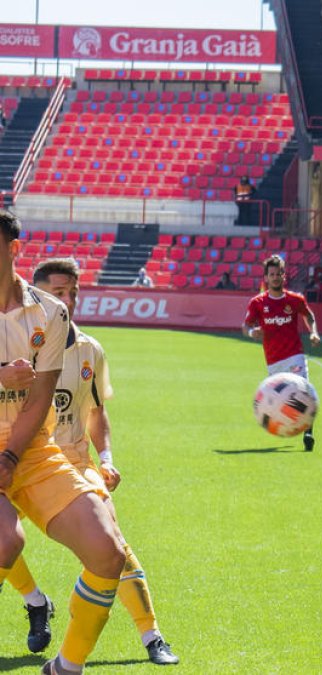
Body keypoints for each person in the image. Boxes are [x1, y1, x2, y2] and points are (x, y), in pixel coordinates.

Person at [22, 259, 180, 665]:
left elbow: (96, 412)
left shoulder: (90, 349)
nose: (68, 300)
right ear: (36, 294)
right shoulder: (15, 344)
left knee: (115, 548)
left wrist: (106, 458)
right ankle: (36, 602)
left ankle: (152, 635)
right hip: (23, 461)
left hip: (75, 462)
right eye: (58, 292)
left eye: (73, 291)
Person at [0, 213, 129, 675]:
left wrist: (12, 456)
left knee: (107, 551)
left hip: (31, 446)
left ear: (15, 250)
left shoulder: (51, 314)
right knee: (4, 541)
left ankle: (65, 669)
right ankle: (35, 603)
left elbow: (40, 396)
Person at [242, 255, 320, 451]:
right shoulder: (258, 303)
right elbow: (245, 325)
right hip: (273, 361)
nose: (275, 277)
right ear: (266, 278)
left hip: (295, 355)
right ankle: (288, 426)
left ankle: (308, 431)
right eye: (272, 274)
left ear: (284, 276)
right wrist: (252, 332)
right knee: (281, 402)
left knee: (303, 392)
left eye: (279, 274)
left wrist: (314, 332)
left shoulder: (295, 300)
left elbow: (309, 316)